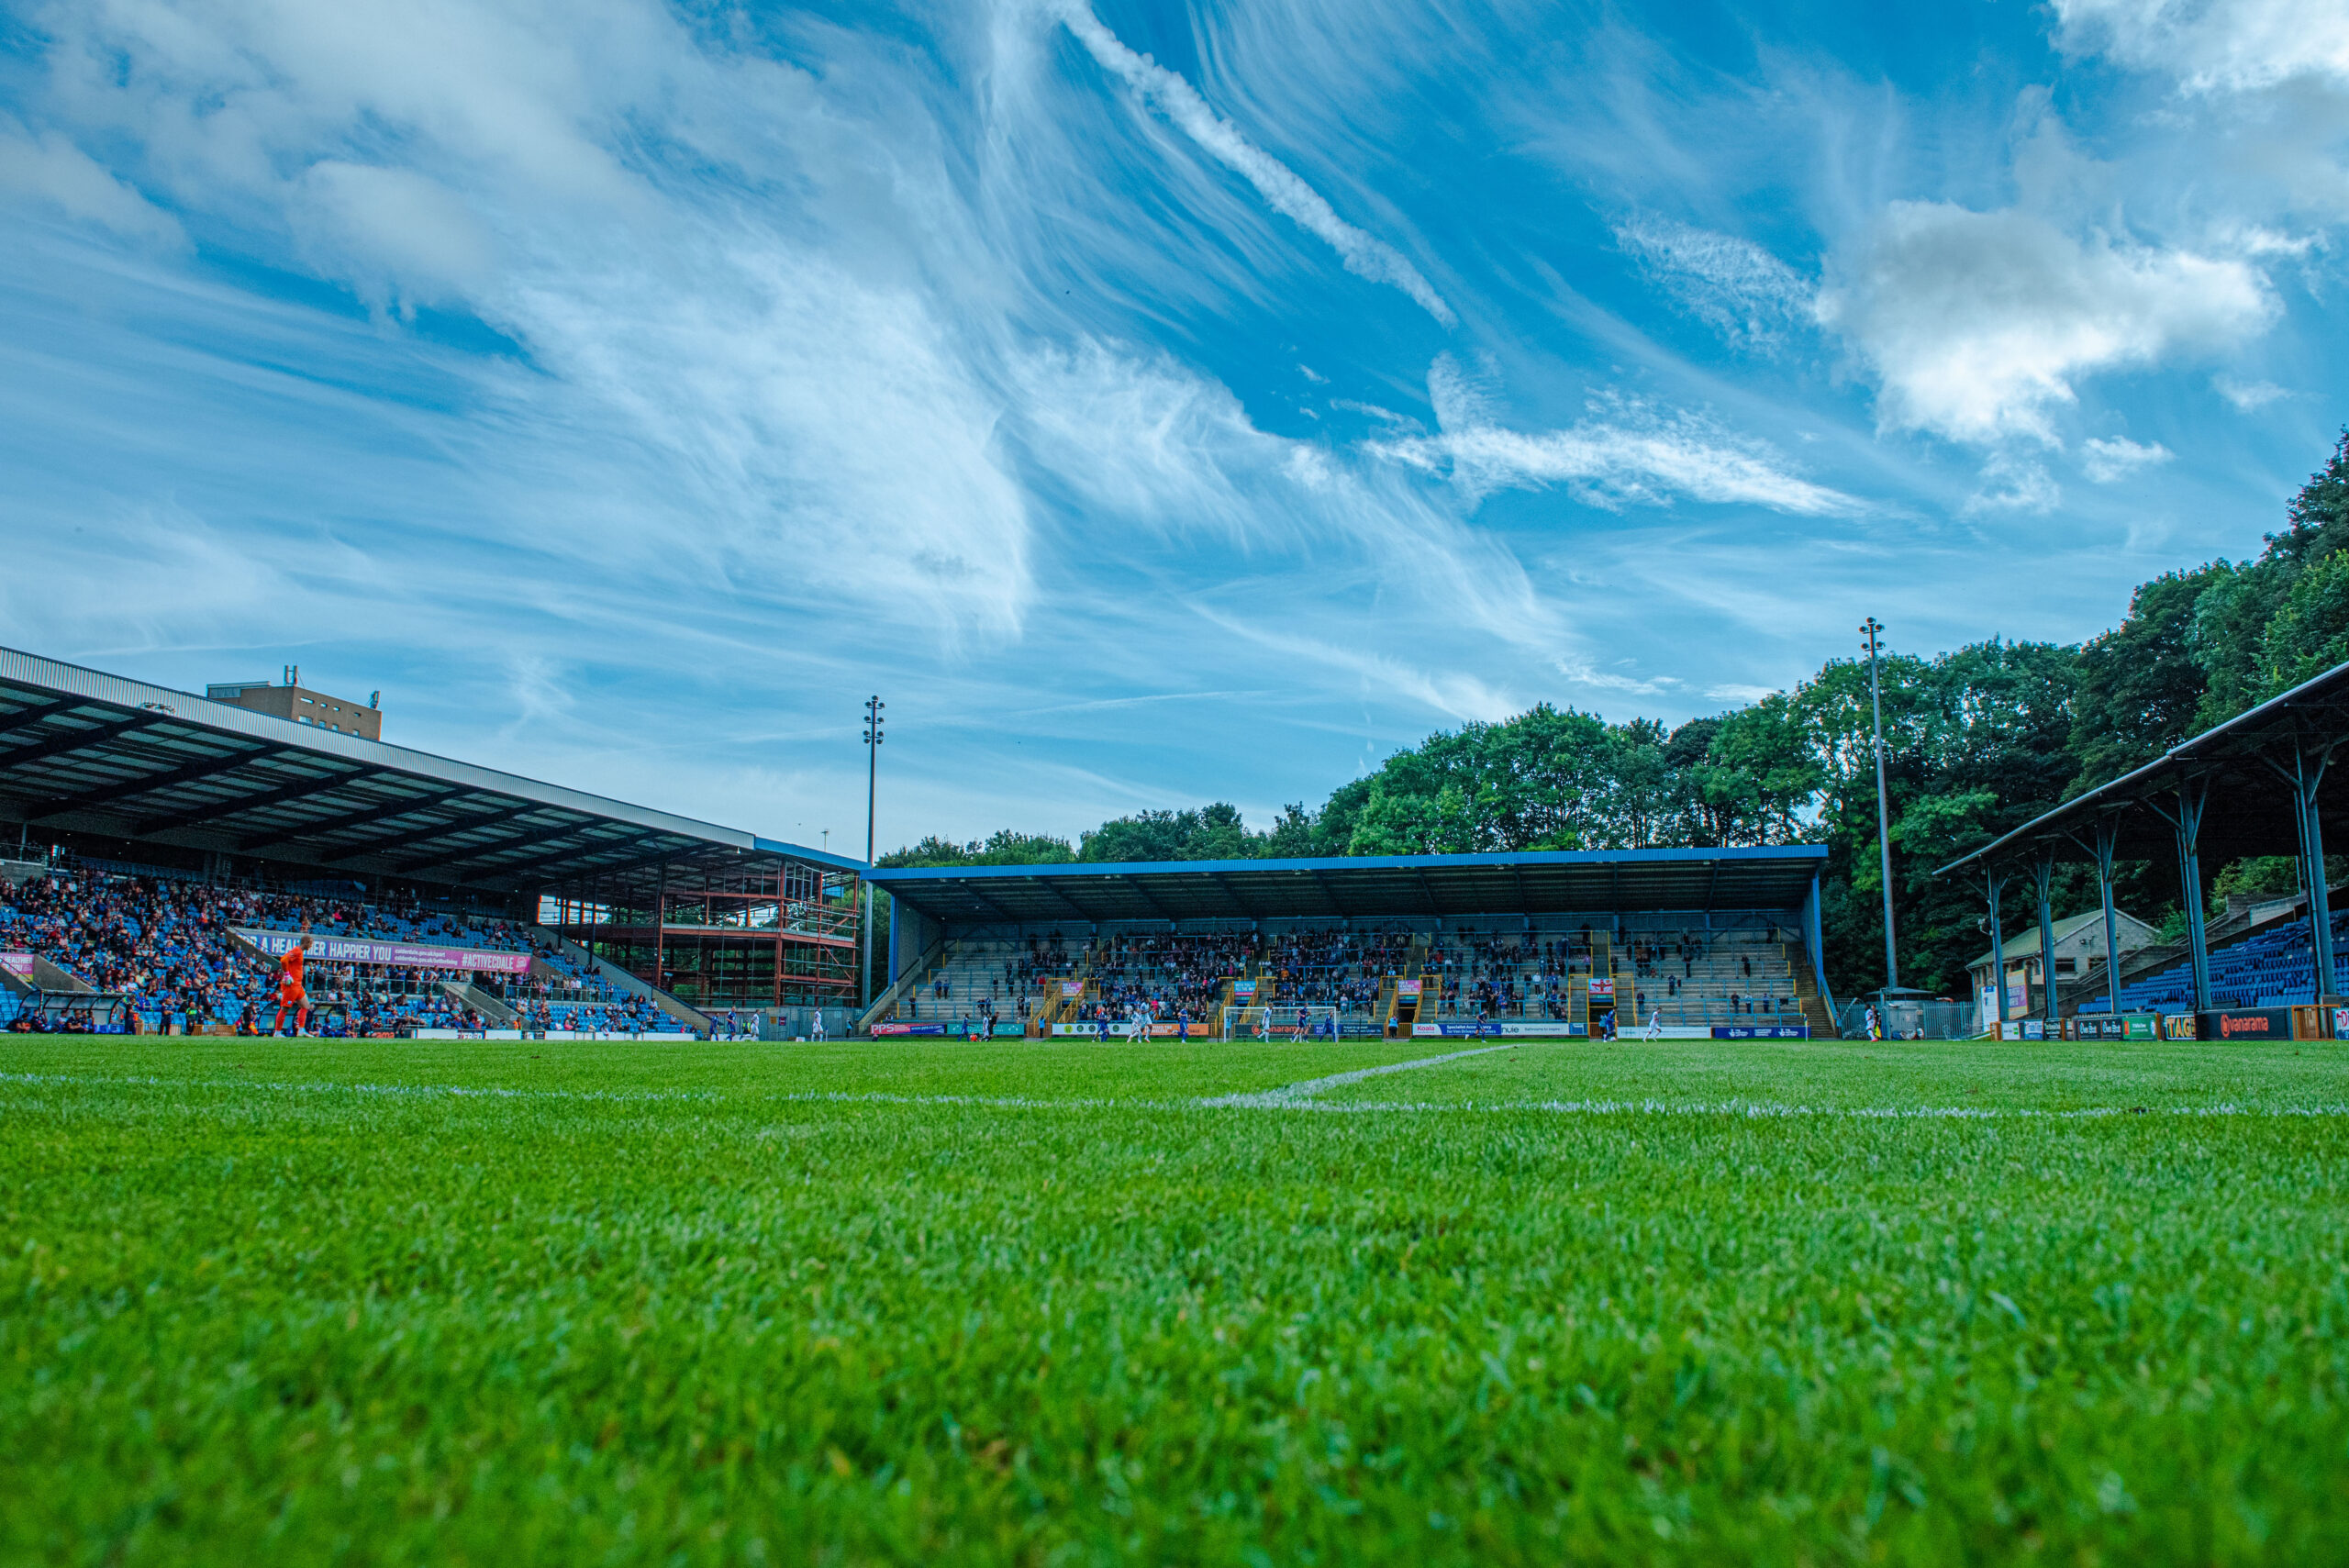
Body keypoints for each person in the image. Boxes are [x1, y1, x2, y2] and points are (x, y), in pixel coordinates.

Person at [272, 933, 312, 1037]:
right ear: (306, 942)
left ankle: (301, 1030)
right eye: (311, 943)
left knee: (306, 1005)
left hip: (298, 985)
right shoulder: (297, 950)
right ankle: (277, 1032)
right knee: (285, 1008)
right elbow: (284, 960)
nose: (311, 946)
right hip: (292, 985)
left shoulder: (300, 952)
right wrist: (287, 974)